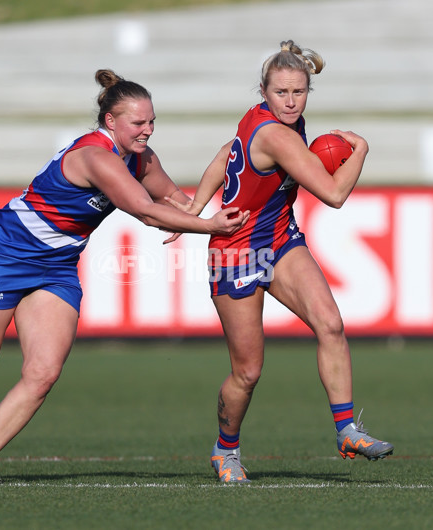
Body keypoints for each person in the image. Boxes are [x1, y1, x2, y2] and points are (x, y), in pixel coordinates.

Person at [0, 69, 250, 484]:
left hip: (57, 267)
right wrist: (210, 227)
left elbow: (171, 198)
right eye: (139, 123)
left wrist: (198, 213)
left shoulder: (141, 158)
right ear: (111, 122)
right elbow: (146, 210)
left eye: (152, 121)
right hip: (4, 253)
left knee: (44, 372)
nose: (148, 131)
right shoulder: (95, 157)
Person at [165, 40, 393, 483]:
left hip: (279, 240)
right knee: (247, 372)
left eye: (299, 92)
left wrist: (194, 207)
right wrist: (361, 151)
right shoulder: (276, 135)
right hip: (234, 253)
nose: (290, 101)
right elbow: (334, 194)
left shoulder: (263, 119)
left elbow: (225, 153)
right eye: (281, 93)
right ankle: (224, 451)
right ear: (264, 93)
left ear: (308, 90)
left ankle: (347, 428)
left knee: (330, 323)